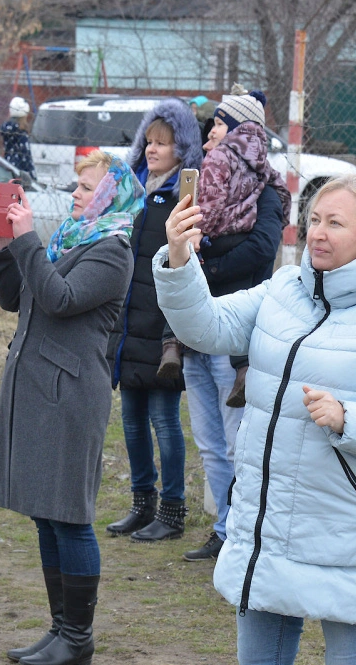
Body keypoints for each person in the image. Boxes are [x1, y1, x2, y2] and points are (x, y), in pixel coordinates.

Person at [154, 173, 356, 664]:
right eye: (313, 219)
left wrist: (349, 420)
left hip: (349, 533)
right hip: (268, 531)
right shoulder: (282, 290)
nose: (317, 232)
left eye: (335, 223)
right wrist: (180, 260)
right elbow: (206, 327)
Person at [0, 150, 137, 665]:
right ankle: (60, 631)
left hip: (72, 395)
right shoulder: (68, 240)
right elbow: (16, 296)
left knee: (70, 516)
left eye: (86, 186)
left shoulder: (113, 251)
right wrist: (6, 243)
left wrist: (29, 240)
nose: (75, 193)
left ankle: (78, 638)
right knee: (45, 514)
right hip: (39, 387)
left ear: (111, 195)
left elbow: (59, 298)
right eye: (76, 185)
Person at [172, 85, 289, 562]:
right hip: (197, 329)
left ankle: (240, 530)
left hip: (234, 332)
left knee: (237, 436)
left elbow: (261, 250)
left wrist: (209, 266)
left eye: (218, 125)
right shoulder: (206, 184)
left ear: (241, 130)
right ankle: (224, 527)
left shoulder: (267, 189)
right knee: (209, 440)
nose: (209, 136)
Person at [105, 99, 203, 542]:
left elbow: (185, 263)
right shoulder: (132, 189)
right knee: (131, 421)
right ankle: (141, 504)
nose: (152, 150)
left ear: (182, 148)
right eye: (148, 142)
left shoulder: (183, 198)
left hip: (163, 326)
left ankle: (173, 509)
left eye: (162, 143)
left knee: (165, 421)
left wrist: (175, 332)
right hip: (128, 325)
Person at [2, 96, 37, 181]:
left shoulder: (7, 131)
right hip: (20, 174)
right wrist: (33, 178)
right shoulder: (22, 134)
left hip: (8, 169)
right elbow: (26, 157)